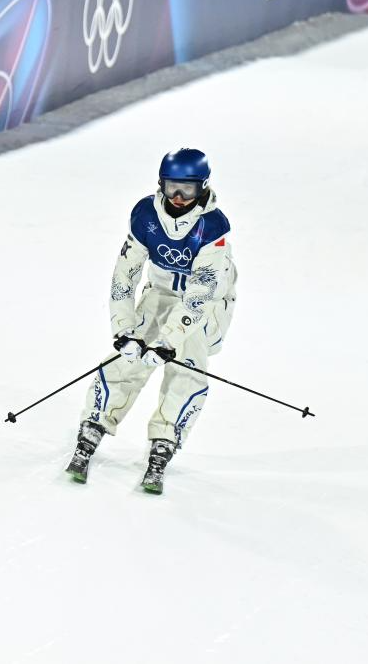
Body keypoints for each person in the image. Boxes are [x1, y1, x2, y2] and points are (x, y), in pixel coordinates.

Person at [66, 148, 237, 493]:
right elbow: (125, 276)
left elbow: (199, 295)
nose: (178, 197)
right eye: (172, 187)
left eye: (187, 189)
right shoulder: (146, 216)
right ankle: (95, 423)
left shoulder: (212, 227)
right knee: (128, 358)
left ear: (202, 187)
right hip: (160, 292)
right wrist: (123, 330)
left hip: (205, 305)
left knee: (187, 366)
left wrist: (168, 341)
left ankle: (165, 439)